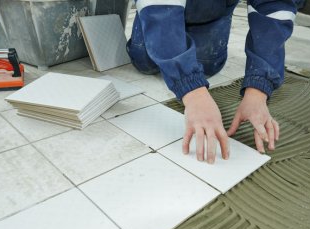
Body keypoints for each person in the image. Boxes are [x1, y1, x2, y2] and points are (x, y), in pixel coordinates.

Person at [126, 0, 296, 164]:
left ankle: (186, 36)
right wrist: (193, 93)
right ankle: (153, 20)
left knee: (208, 65)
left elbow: (275, 7)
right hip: (162, 7)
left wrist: (258, 90)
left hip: (212, 9)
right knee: (145, 61)